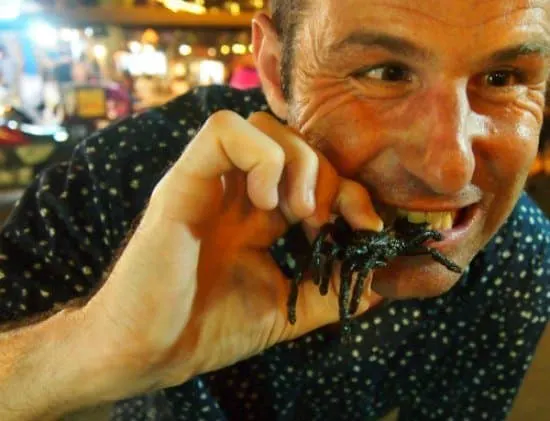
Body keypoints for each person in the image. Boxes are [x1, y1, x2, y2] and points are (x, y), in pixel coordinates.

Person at [0, 1, 548, 420]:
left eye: (502, 79)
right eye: (385, 72)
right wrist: (93, 345)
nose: (451, 170)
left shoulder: (521, 254)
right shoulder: (129, 176)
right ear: (274, 69)